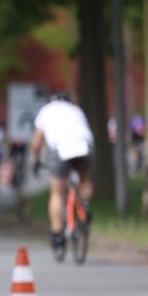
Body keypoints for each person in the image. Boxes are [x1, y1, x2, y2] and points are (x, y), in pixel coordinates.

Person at [30, 90, 94, 249]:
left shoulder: (46, 111)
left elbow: (37, 143)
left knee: (57, 192)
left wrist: (36, 160)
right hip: (85, 145)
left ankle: (57, 233)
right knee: (85, 179)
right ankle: (85, 205)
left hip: (61, 148)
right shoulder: (76, 110)